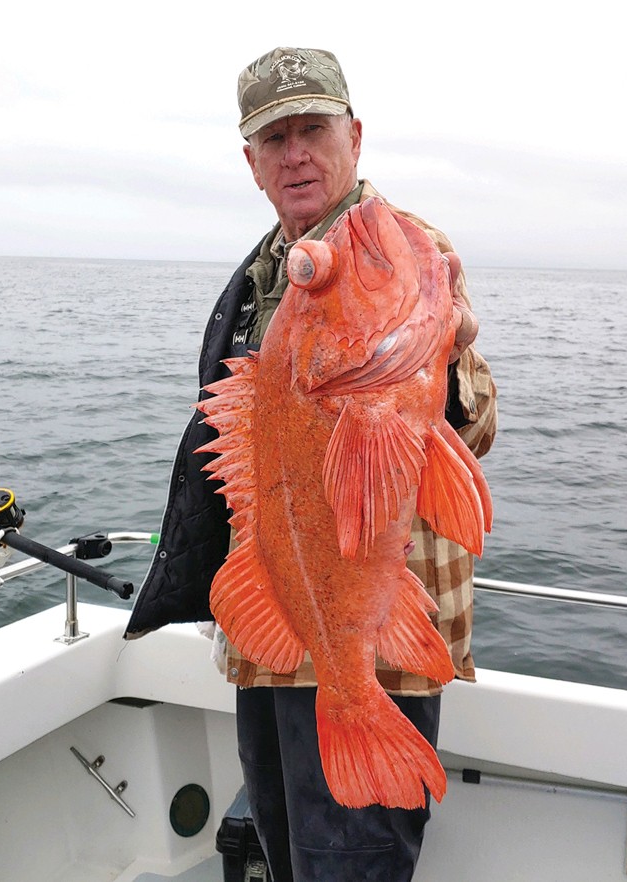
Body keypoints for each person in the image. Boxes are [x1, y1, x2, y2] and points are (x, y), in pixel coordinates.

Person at [125, 47, 497, 881]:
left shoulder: (400, 249)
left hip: (371, 636)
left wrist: (455, 356)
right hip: (270, 637)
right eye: (275, 139)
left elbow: (468, 434)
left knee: (350, 861)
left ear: (354, 137)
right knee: (286, 854)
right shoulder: (270, 269)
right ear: (252, 164)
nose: (296, 154)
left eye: (313, 130)